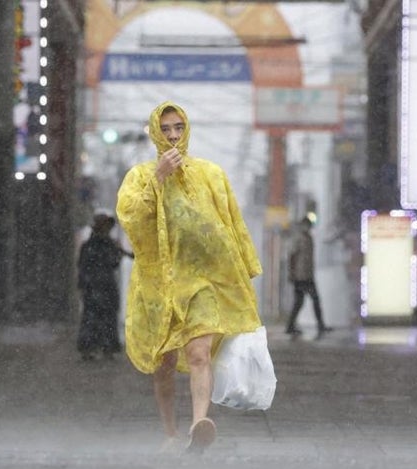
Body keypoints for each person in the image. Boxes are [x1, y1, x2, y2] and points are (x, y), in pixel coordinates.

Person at [116, 101, 263, 453]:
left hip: (202, 283)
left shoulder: (211, 174)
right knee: (164, 363)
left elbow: (231, 222)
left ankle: (200, 422)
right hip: (159, 283)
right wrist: (159, 178)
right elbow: (131, 217)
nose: (172, 135)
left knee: (199, 352)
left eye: (178, 128)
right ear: (155, 132)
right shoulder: (139, 177)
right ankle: (170, 431)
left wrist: (244, 266)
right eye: (165, 129)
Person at [76, 212, 131, 361]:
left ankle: (97, 348)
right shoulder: (99, 245)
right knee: (97, 318)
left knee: (97, 318)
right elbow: (110, 262)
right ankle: (98, 348)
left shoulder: (97, 244)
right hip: (100, 286)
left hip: (99, 287)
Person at [286, 217, 331, 339]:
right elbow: (292, 256)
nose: (308, 227)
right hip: (300, 276)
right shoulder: (299, 238)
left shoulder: (308, 238)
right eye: (306, 225)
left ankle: (291, 326)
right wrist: (291, 273)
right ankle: (319, 325)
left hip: (307, 275)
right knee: (311, 300)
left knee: (301, 302)